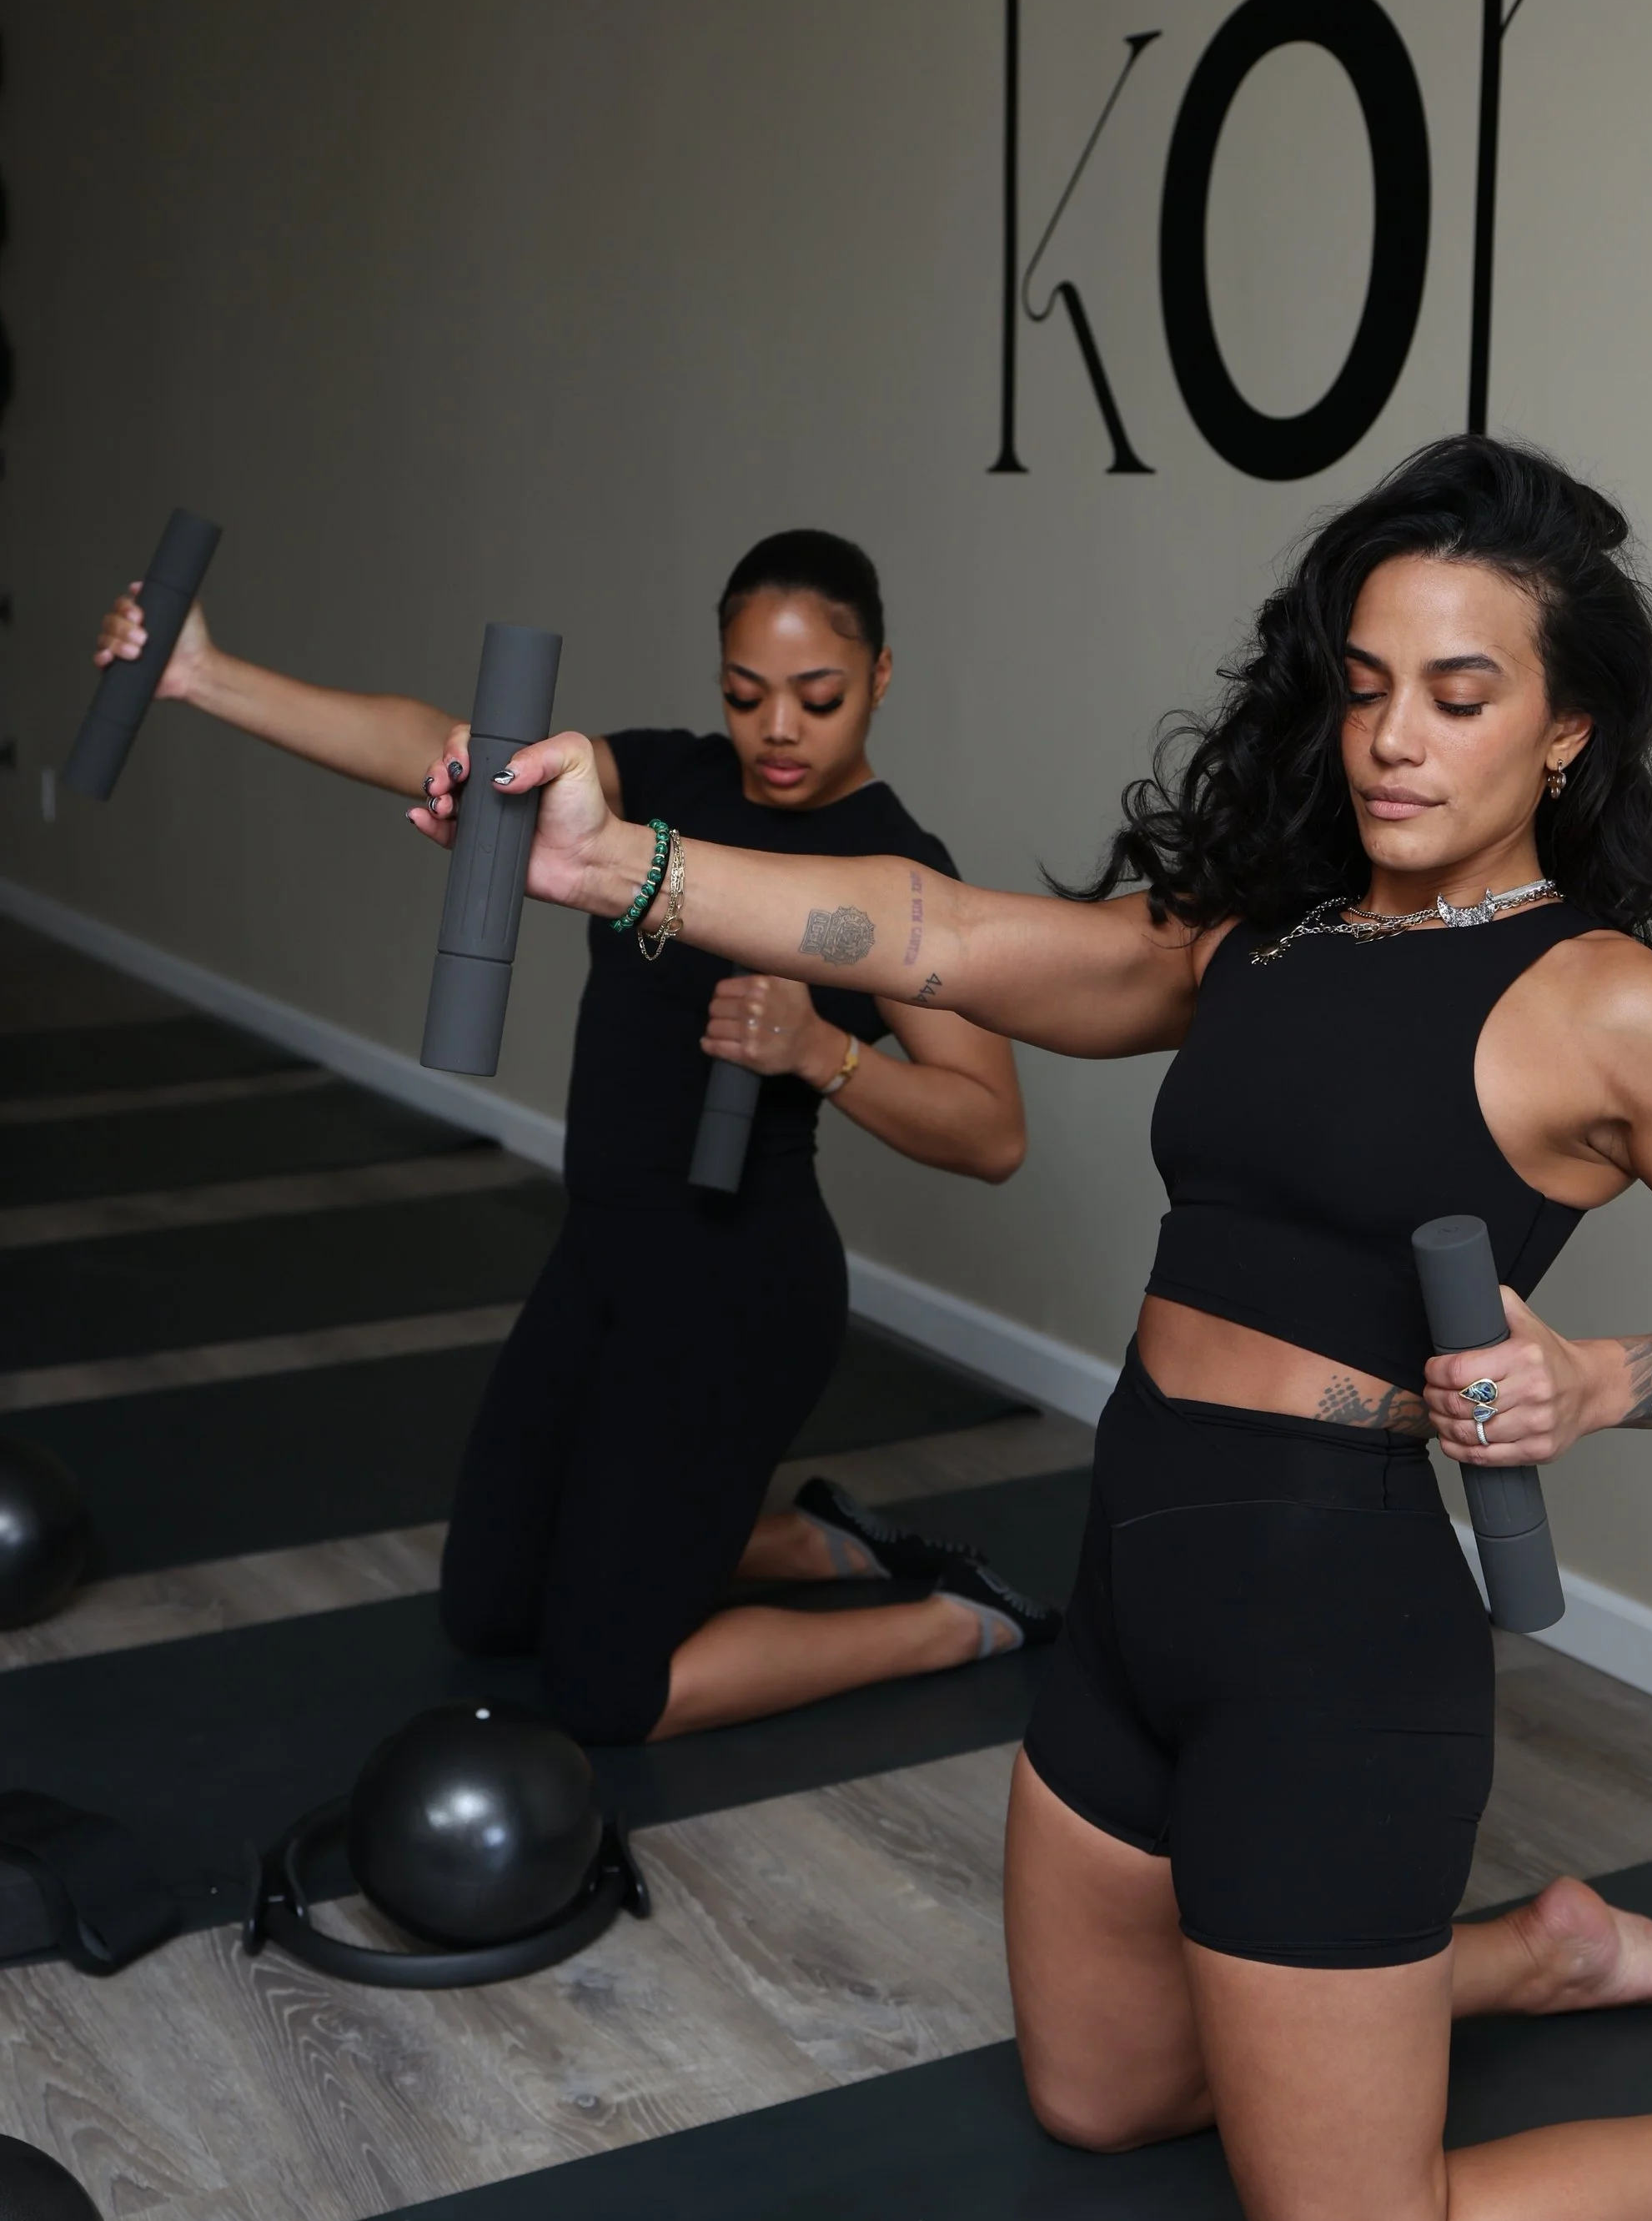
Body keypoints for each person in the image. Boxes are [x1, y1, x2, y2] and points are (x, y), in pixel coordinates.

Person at [418, 435, 1652, 2221]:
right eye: (1367, 686)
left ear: (1561, 733)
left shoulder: (1607, 1005)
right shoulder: (1272, 935)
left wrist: (1612, 1376)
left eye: (1459, 696)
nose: (1395, 737)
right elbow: (938, 936)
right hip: (1139, 1569)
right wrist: (622, 863)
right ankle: (1521, 1961)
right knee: (1098, 2098)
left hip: (1332, 1631)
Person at [96, 528, 1053, 1744]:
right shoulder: (667, 781)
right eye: (745, 693)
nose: (778, 729)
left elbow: (992, 1131)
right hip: (600, 1255)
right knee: (491, 1609)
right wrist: (202, 675)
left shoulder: (899, 875)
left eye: (818, 697)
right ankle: (810, 1538)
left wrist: (826, 1052)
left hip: (738, 1289)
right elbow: (446, 749)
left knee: (610, 1691)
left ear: (880, 677)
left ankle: (955, 1614)